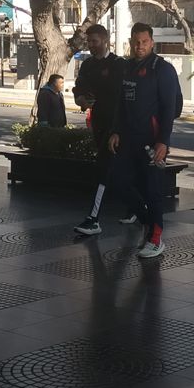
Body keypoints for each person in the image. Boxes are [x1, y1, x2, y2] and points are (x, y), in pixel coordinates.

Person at [108, 22, 181, 258]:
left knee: (152, 190)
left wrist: (163, 141)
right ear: (131, 42)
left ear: (152, 42)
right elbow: (120, 103)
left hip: (152, 141)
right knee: (118, 182)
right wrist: (116, 130)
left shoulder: (162, 69)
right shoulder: (127, 67)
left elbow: (170, 108)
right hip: (128, 139)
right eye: (136, 42)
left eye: (144, 42)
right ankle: (148, 222)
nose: (140, 46)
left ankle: (156, 238)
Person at [72, 24, 127, 236]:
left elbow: (126, 97)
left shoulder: (119, 65)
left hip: (117, 126)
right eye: (89, 42)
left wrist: (120, 128)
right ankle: (139, 209)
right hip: (99, 124)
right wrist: (82, 100)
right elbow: (79, 91)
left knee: (104, 169)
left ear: (105, 40)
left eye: (94, 41)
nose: (91, 46)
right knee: (122, 172)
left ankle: (93, 218)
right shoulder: (86, 66)